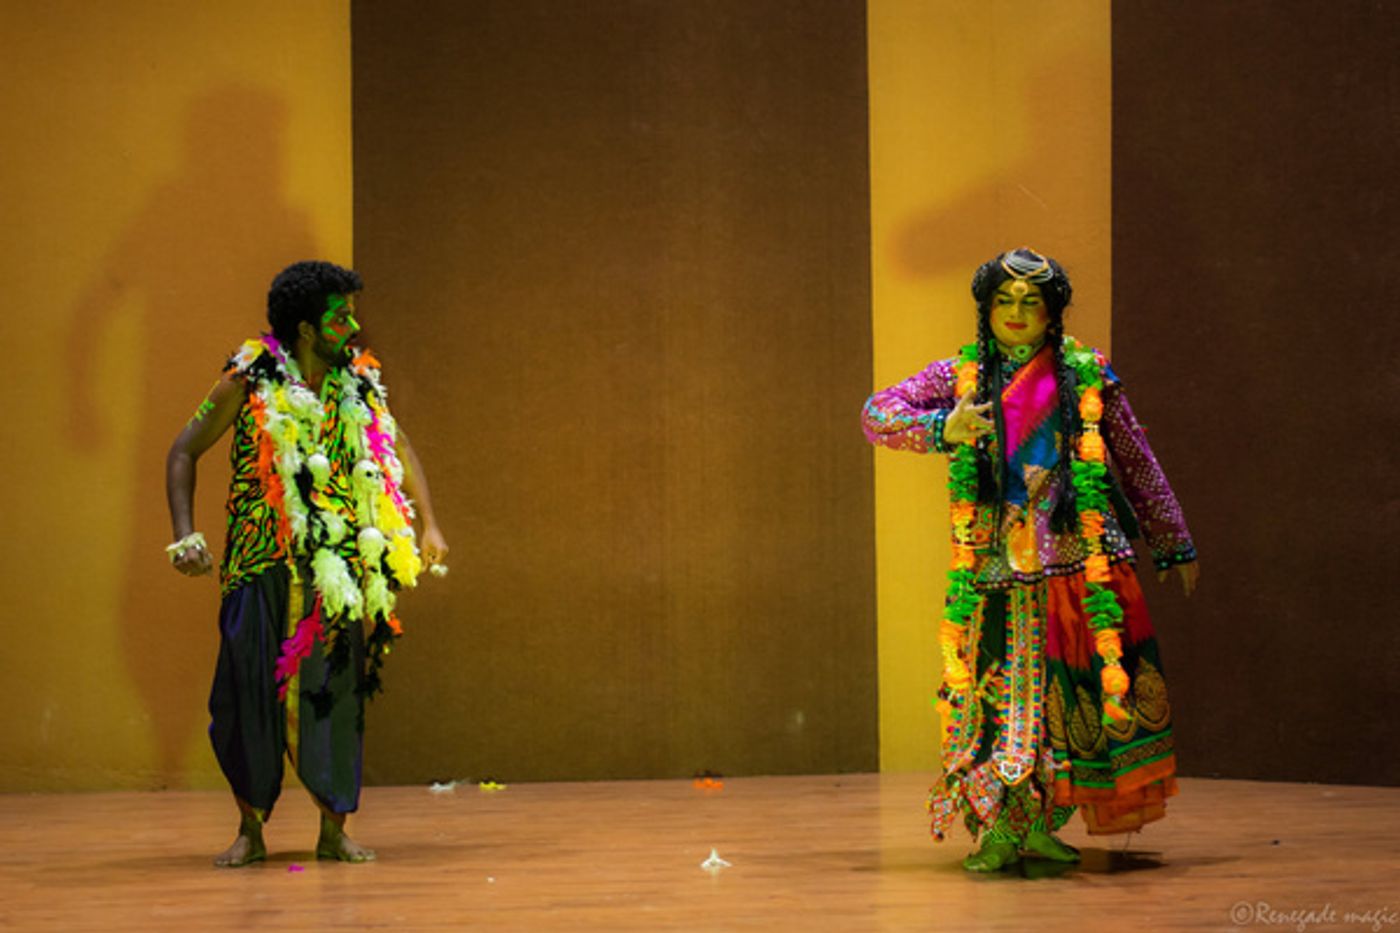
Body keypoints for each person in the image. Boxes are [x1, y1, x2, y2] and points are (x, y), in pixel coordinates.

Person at [861, 248, 1197, 872]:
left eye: (1030, 302)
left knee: (1071, 702)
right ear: (985, 311)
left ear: (1053, 312)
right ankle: (996, 832)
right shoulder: (959, 377)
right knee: (997, 697)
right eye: (1003, 302)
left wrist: (1173, 540)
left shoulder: (1085, 373)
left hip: (1081, 561)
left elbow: (1133, 458)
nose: (1016, 314)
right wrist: (945, 429)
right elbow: (877, 414)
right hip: (994, 566)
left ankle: (1042, 825)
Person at [166, 260, 449, 867]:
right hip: (257, 562)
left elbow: (396, 444)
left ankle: (332, 830)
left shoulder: (358, 383)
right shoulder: (248, 377)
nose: (351, 324)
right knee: (244, 698)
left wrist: (429, 522)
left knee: (335, 695)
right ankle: (251, 830)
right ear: (303, 327)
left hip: (333, 568)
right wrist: (184, 535)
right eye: (338, 315)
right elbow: (184, 450)